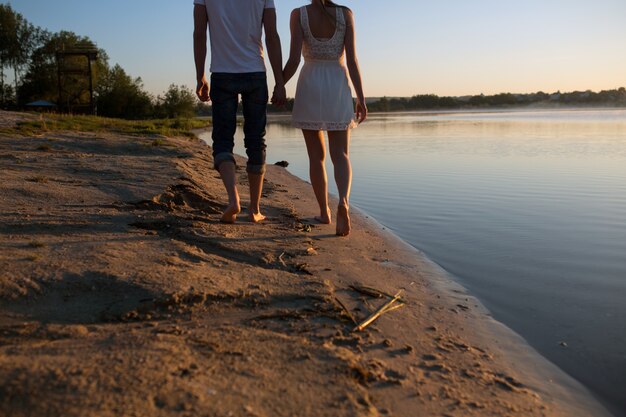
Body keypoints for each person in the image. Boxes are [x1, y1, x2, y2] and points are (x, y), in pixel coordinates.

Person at [193, 0, 286, 223]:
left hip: (222, 74)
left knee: (223, 140)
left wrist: (200, 76)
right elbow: (272, 36)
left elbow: (199, 34)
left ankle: (233, 199)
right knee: (256, 140)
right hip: (255, 73)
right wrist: (280, 81)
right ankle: (254, 209)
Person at [282, 0, 367, 237]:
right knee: (340, 154)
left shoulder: (298, 14)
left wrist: (279, 84)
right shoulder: (345, 13)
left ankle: (324, 212)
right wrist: (360, 97)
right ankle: (343, 202)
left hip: (310, 82)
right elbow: (352, 60)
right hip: (337, 84)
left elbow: (293, 60)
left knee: (316, 157)